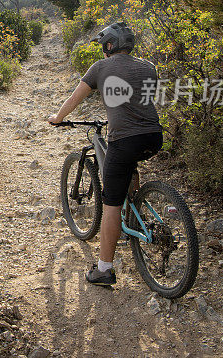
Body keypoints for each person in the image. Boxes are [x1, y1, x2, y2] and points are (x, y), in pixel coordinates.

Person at [48, 21, 163, 286]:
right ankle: (135, 211)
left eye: (103, 46)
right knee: (129, 165)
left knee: (110, 203)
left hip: (124, 140)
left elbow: (75, 99)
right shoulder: (148, 67)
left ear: (110, 46)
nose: (102, 51)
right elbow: (138, 99)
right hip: (153, 136)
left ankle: (104, 270)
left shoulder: (101, 67)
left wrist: (58, 117)